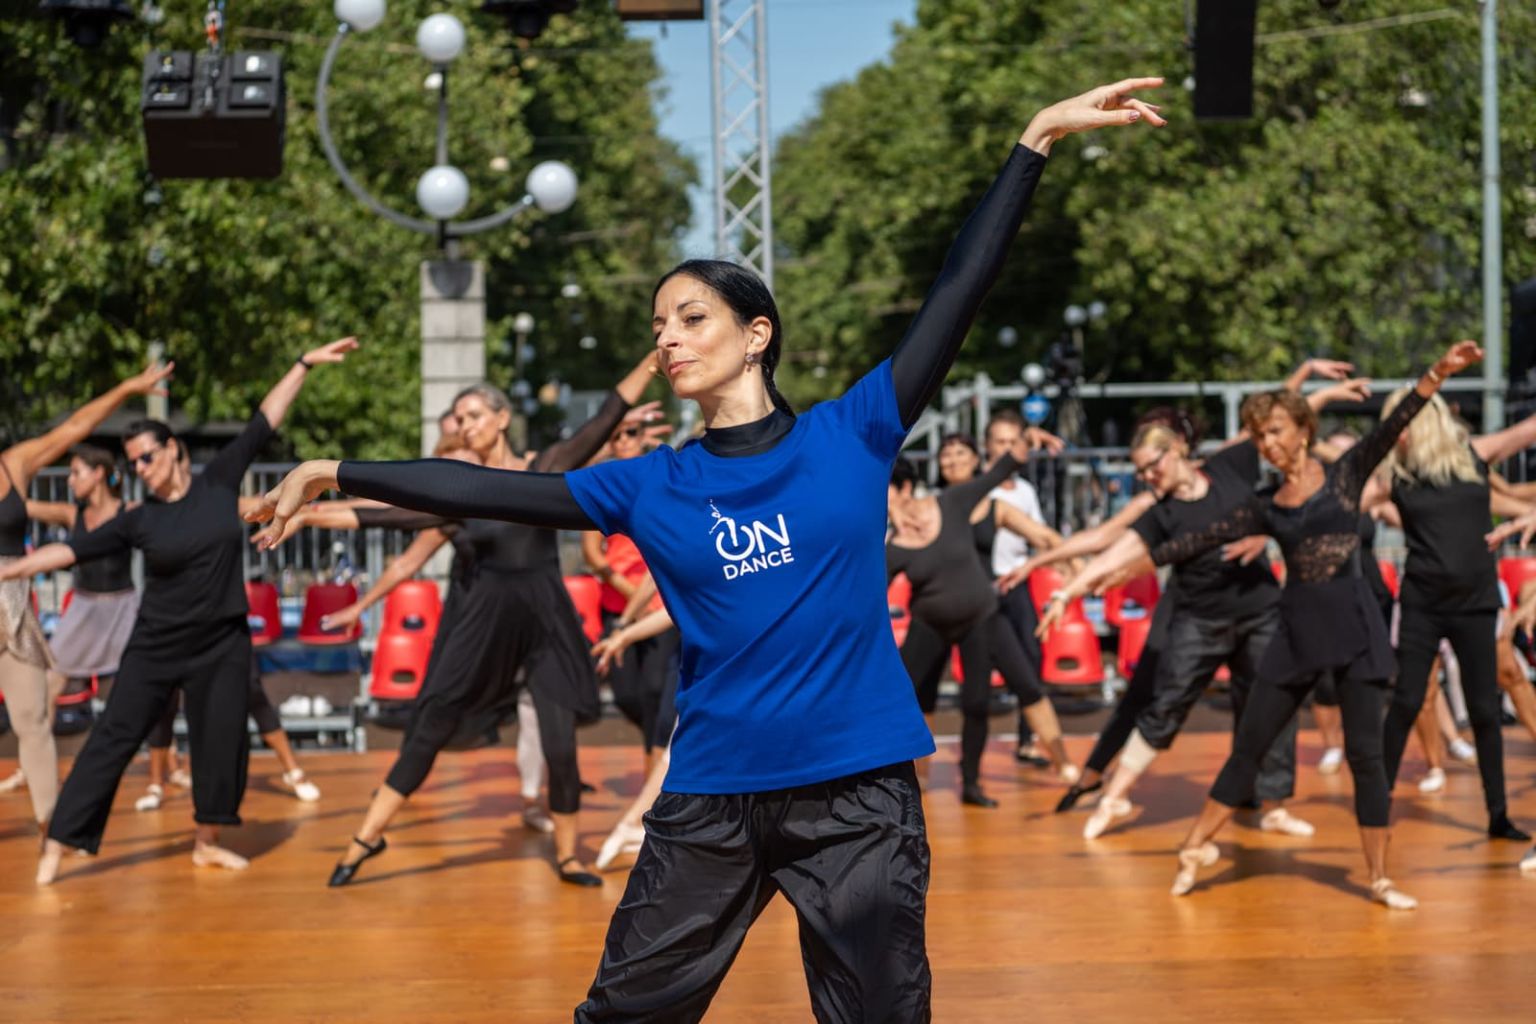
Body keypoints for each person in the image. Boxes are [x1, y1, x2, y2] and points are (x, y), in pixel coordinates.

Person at [249, 79, 1166, 1020]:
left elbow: (959, 287)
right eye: (659, 325)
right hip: (713, 794)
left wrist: (1035, 138)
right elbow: (485, 489)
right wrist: (331, 468)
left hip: (857, 794)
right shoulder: (648, 484)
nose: (669, 338)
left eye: (691, 317)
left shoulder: (853, 433)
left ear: (756, 333)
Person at [290, 356, 659, 888]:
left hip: (546, 625)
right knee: (432, 725)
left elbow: (604, 418)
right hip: (485, 625)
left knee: (560, 745)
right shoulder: (459, 492)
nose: (464, 425)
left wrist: (651, 361)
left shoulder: (543, 470)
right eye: (459, 419)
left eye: (473, 415)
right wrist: (305, 512)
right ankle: (366, 837)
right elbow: (384, 515)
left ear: (502, 418)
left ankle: (567, 855)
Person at [0, 339, 357, 886]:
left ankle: (207, 842)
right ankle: (60, 842)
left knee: (221, 739)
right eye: (133, 462)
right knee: (113, 735)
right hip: (157, 644)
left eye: (147, 456)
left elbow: (264, 420)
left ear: (173, 451)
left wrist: (303, 364)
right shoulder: (138, 519)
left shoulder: (218, 483)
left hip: (222, 641)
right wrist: (10, 570)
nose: (140, 468)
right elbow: (67, 552)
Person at [1145, 339, 1484, 909]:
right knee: (1249, 748)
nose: (1268, 443)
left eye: (1275, 431)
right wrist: (1115, 566)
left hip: (1355, 630)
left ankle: (1379, 878)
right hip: (1296, 636)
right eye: (1260, 436)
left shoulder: (1346, 474)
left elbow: (1395, 422)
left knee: (1365, 758)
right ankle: (1193, 846)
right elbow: (1192, 540)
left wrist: (1438, 372)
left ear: (1303, 429)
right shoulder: (1263, 503)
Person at [0, 362, 173, 832]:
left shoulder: (14, 464)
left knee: (34, 717)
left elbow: (77, 426)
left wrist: (128, 387)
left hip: (13, 611)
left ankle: (53, 827)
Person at [1367, 387, 1536, 840]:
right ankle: (1376, 803)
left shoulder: (1473, 454)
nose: (1396, 433)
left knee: (1484, 709)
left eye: (1403, 422)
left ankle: (1498, 815)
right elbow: (1342, 496)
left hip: (1475, 602)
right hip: (1422, 603)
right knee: (1406, 700)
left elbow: (1528, 430)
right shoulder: (1394, 476)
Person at [888, 453, 1078, 806]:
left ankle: (975, 783)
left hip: (981, 615)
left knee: (978, 702)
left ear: (905, 488)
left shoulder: (951, 503)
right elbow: (865, 595)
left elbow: (1000, 473)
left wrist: (1025, 445)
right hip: (930, 624)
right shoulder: (891, 546)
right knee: (910, 698)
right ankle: (915, 780)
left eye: (883, 489)